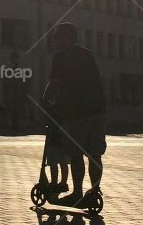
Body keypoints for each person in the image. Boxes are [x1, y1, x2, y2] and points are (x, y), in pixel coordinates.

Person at [43, 22, 106, 207]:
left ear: (66, 37)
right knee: (95, 153)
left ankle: (77, 193)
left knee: (76, 153)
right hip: (98, 109)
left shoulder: (60, 57)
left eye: (57, 37)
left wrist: (44, 102)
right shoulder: (87, 54)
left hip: (76, 111)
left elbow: (54, 84)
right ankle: (94, 192)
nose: (54, 41)